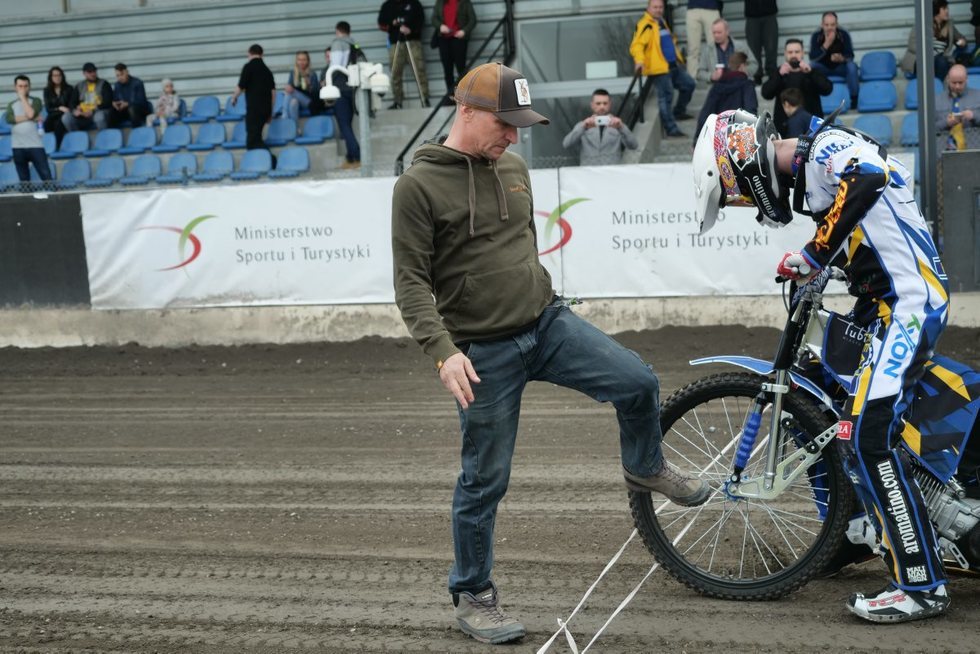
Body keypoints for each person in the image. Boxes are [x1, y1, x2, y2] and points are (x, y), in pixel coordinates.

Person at [392, 61, 710, 645]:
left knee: (637, 380)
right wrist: (444, 352)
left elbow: (519, 245)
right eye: (505, 124)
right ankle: (473, 593)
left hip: (546, 324)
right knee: (485, 479)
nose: (514, 137)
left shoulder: (512, 167)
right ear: (466, 111)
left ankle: (645, 465)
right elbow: (411, 282)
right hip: (483, 354)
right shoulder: (417, 187)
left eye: (518, 126)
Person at [693, 107, 951, 624]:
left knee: (867, 437)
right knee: (816, 387)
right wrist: (821, 264)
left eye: (736, 193)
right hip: (883, 305)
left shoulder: (828, 146)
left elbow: (871, 179)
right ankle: (852, 535)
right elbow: (868, 232)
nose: (746, 203)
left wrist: (813, 254)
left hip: (907, 308)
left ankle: (920, 584)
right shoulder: (819, 165)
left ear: (744, 167)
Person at [630, 0, 696, 138]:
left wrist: (679, 59)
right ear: (648, 8)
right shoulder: (645, 24)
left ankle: (678, 112)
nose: (658, 10)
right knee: (666, 97)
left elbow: (668, 42)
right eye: (655, 7)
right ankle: (671, 129)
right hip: (659, 69)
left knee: (689, 84)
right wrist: (639, 61)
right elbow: (637, 45)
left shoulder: (661, 21)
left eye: (660, 7)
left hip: (672, 66)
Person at [761, 38, 832, 138]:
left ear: (803, 53)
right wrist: (779, 75)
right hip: (784, 130)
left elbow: (827, 89)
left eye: (797, 52)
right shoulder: (778, 73)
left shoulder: (812, 71)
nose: (793, 55)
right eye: (790, 52)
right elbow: (766, 93)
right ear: (785, 54)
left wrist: (811, 73)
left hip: (811, 129)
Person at [562, 88, 639, 165]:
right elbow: (566, 144)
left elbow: (633, 145)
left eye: (605, 103)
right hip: (588, 173)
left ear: (609, 104)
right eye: (598, 103)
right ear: (592, 105)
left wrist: (621, 127)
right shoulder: (583, 125)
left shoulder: (617, 125)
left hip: (612, 172)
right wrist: (583, 127)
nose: (602, 107)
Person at [693, 51, 757, 144]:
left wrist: (697, 139)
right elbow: (750, 111)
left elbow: (706, 113)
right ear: (742, 66)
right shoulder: (747, 86)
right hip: (740, 139)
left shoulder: (717, 86)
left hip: (719, 138)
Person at [377, 0, 429, 108]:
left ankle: (425, 99)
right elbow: (381, 23)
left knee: (419, 70)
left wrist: (411, 30)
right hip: (395, 42)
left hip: (413, 41)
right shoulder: (387, 5)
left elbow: (421, 21)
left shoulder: (414, 3)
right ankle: (398, 101)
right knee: (395, 71)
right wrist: (393, 23)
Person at [901, 0, 968, 80]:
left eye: (947, 8)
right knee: (941, 62)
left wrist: (962, 42)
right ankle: (937, 88)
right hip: (921, 59)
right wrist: (930, 53)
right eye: (944, 8)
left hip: (940, 59)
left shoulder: (949, 25)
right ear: (936, 10)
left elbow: (960, 38)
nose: (947, 11)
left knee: (944, 62)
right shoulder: (923, 23)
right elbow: (912, 44)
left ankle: (938, 87)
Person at [5, 75, 53, 186]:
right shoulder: (11, 105)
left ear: (29, 87)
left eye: (25, 86)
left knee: (47, 178)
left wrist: (22, 98)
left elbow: (31, 113)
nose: (23, 89)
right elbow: (10, 119)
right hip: (18, 146)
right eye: (20, 86)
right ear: (15, 87)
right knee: (24, 182)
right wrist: (30, 118)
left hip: (36, 145)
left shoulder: (36, 101)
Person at [322, 41, 361, 169]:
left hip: (342, 98)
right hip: (346, 96)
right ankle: (351, 158)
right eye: (327, 56)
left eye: (330, 55)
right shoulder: (328, 70)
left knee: (345, 127)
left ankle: (357, 155)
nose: (329, 58)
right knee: (346, 127)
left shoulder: (335, 69)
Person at [809, 12, 859, 109]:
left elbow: (850, 55)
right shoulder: (816, 36)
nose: (829, 28)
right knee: (811, 66)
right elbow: (813, 57)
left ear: (836, 24)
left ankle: (854, 98)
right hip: (823, 68)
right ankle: (811, 99)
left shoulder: (843, 34)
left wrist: (842, 58)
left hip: (840, 67)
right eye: (827, 25)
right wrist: (826, 44)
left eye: (832, 25)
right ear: (822, 25)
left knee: (852, 66)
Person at [232, 44, 276, 152]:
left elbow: (241, 85)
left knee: (252, 140)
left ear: (249, 53)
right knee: (256, 137)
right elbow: (273, 93)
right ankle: (264, 158)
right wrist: (270, 111)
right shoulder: (267, 71)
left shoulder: (248, 67)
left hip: (254, 110)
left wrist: (234, 97)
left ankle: (269, 158)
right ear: (262, 54)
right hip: (265, 109)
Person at [432, 0, 477, 104]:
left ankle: (463, 96)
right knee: (447, 69)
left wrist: (464, 31)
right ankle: (451, 96)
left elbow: (473, 20)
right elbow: (434, 19)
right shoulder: (440, 2)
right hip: (444, 39)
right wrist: (440, 26)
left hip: (459, 39)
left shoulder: (465, 2)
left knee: (461, 68)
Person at [936, 64, 980, 151]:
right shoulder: (937, 100)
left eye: (960, 82)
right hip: (944, 152)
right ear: (948, 79)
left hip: (973, 151)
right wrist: (946, 123)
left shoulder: (978, 96)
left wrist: (973, 115)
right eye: (954, 82)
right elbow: (930, 128)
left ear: (966, 79)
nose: (957, 86)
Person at [698, 18, 756, 83]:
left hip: (739, 85)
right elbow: (700, 72)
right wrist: (711, 76)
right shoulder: (707, 50)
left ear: (727, 32)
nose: (716, 35)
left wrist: (745, 70)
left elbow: (754, 64)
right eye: (714, 33)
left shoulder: (741, 46)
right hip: (718, 87)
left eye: (719, 32)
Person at [63, 62, 111, 133]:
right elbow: (72, 102)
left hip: (97, 112)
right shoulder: (79, 86)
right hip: (82, 115)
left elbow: (108, 102)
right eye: (90, 72)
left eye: (94, 71)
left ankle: (104, 139)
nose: (93, 74)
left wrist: (93, 111)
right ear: (84, 73)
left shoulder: (104, 84)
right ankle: (78, 138)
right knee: (66, 118)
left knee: (99, 117)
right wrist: (75, 111)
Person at [684, 0, 722, 80]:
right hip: (693, 8)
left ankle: (717, 78)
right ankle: (691, 82)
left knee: (715, 47)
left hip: (712, 8)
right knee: (692, 49)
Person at [744, 0, 779, 85]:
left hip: (769, 13)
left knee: (771, 47)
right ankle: (757, 74)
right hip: (751, 14)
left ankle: (772, 73)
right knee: (753, 48)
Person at [42, 66, 74, 148]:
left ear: (62, 76)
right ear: (51, 77)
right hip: (54, 114)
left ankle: (56, 146)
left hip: (65, 115)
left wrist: (63, 110)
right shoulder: (47, 91)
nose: (57, 77)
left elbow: (71, 106)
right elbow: (48, 109)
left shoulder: (69, 89)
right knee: (46, 124)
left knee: (59, 124)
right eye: (55, 75)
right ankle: (47, 146)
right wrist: (59, 108)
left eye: (59, 75)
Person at [283, 50, 320, 122]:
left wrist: (309, 85)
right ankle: (296, 129)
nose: (301, 62)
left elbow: (315, 92)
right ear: (296, 61)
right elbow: (289, 88)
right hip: (297, 100)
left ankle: (284, 118)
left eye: (304, 60)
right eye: (299, 60)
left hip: (309, 101)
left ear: (308, 61)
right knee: (293, 102)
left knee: (291, 92)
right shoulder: (293, 73)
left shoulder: (312, 74)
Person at [110, 63, 149, 127]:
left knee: (132, 109)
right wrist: (114, 104)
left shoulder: (137, 83)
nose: (120, 77)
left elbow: (142, 101)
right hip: (124, 111)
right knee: (111, 112)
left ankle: (136, 133)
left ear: (127, 72)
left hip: (138, 111)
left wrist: (128, 104)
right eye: (117, 76)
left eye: (122, 74)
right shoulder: (117, 85)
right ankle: (113, 135)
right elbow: (115, 99)